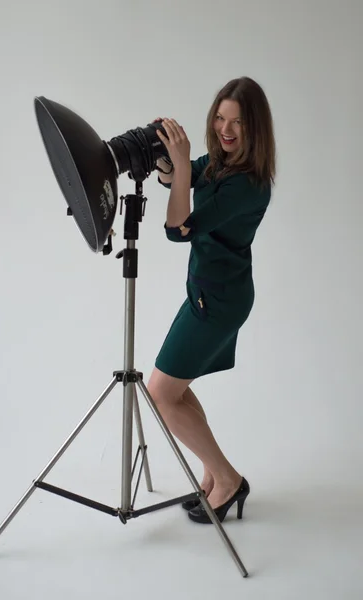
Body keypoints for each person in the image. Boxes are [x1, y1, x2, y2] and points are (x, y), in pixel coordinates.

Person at [148, 76, 276, 524]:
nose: (226, 129)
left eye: (238, 122)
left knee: (160, 395)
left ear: (255, 128)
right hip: (207, 293)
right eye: (220, 117)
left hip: (218, 302)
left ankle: (228, 479)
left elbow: (178, 227)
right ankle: (213, 476)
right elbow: (185, 180)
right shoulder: (221, 162)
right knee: (176, 391)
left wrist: (181, 168)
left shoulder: (250, 184)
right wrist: (171, 165)